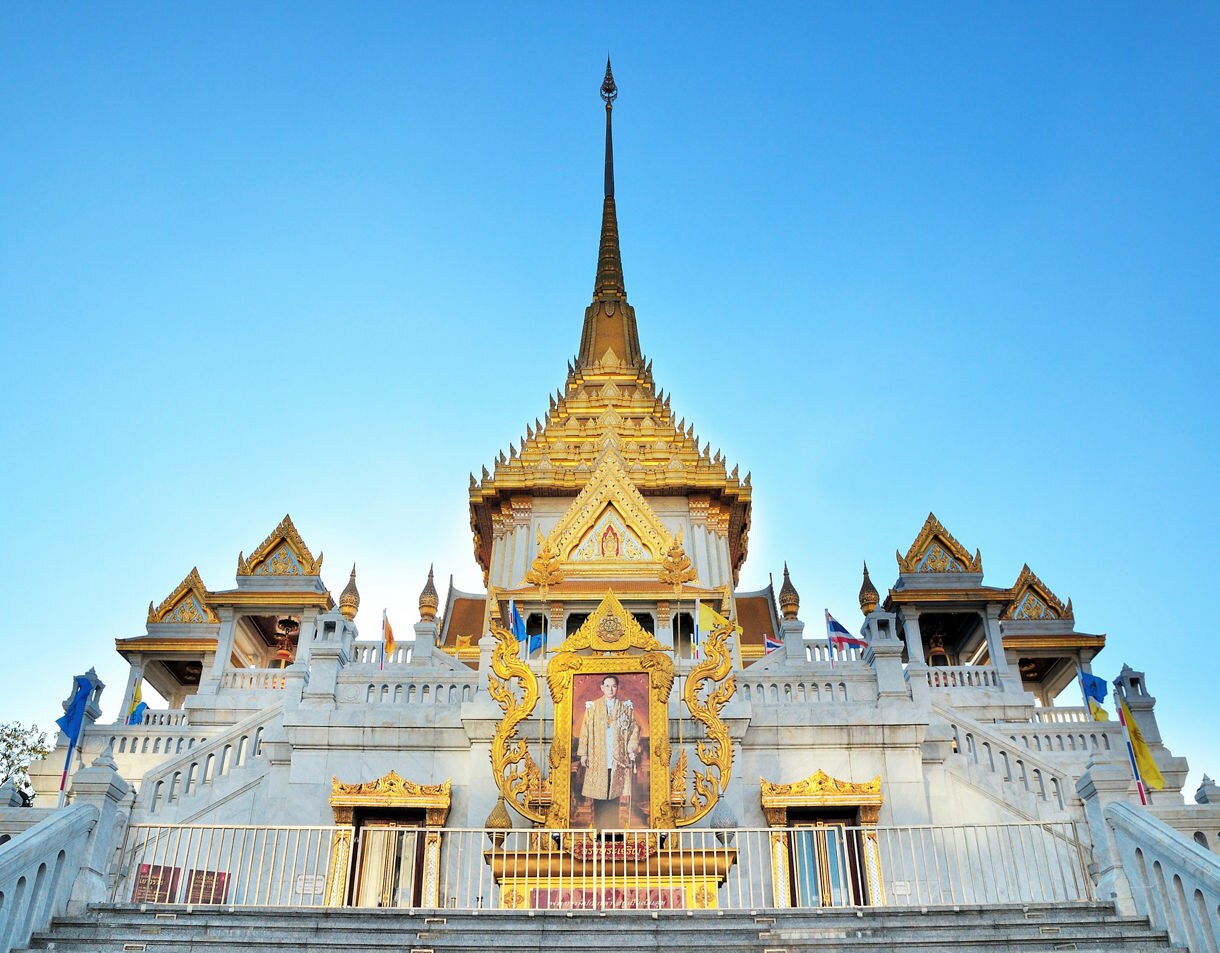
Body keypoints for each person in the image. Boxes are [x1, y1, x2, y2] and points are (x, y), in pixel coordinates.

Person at [578, 675, 641, 828]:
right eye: (607, 686)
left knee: (614, 794)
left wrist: (631, 748)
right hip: (598, 756)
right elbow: (585, 730)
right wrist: (584, 753)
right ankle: (599, 831)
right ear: (602, 688)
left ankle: (613, 832)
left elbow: (634, 730)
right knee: (599, 794)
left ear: (617, 687)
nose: (610, 689)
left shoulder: (625, 708)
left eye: (613, 686)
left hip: (617, 757)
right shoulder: (592, 707)